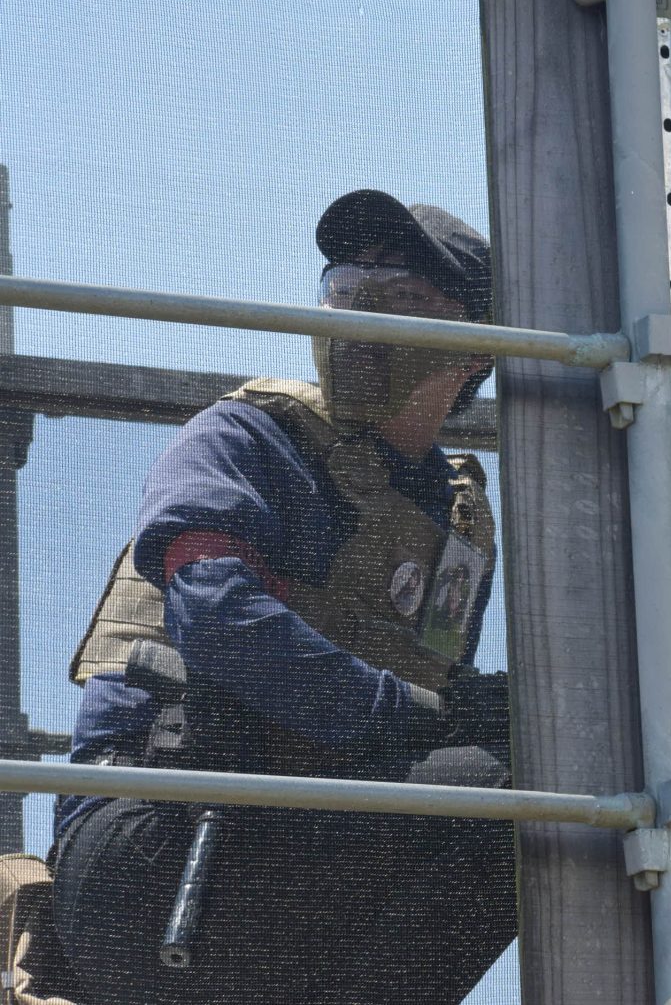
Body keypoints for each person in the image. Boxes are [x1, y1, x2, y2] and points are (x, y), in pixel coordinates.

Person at [49, 190, 515, 1005]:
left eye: (402, 298)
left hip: (308, 833)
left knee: (557, 781)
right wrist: (409, 715)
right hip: (159, 836)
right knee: (522, 797)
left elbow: (428, 699)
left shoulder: (458, 522)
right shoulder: (248, 437)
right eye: (347, 290)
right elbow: (219, 616)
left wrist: (472, 709)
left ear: (475, 348)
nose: (364, 318)